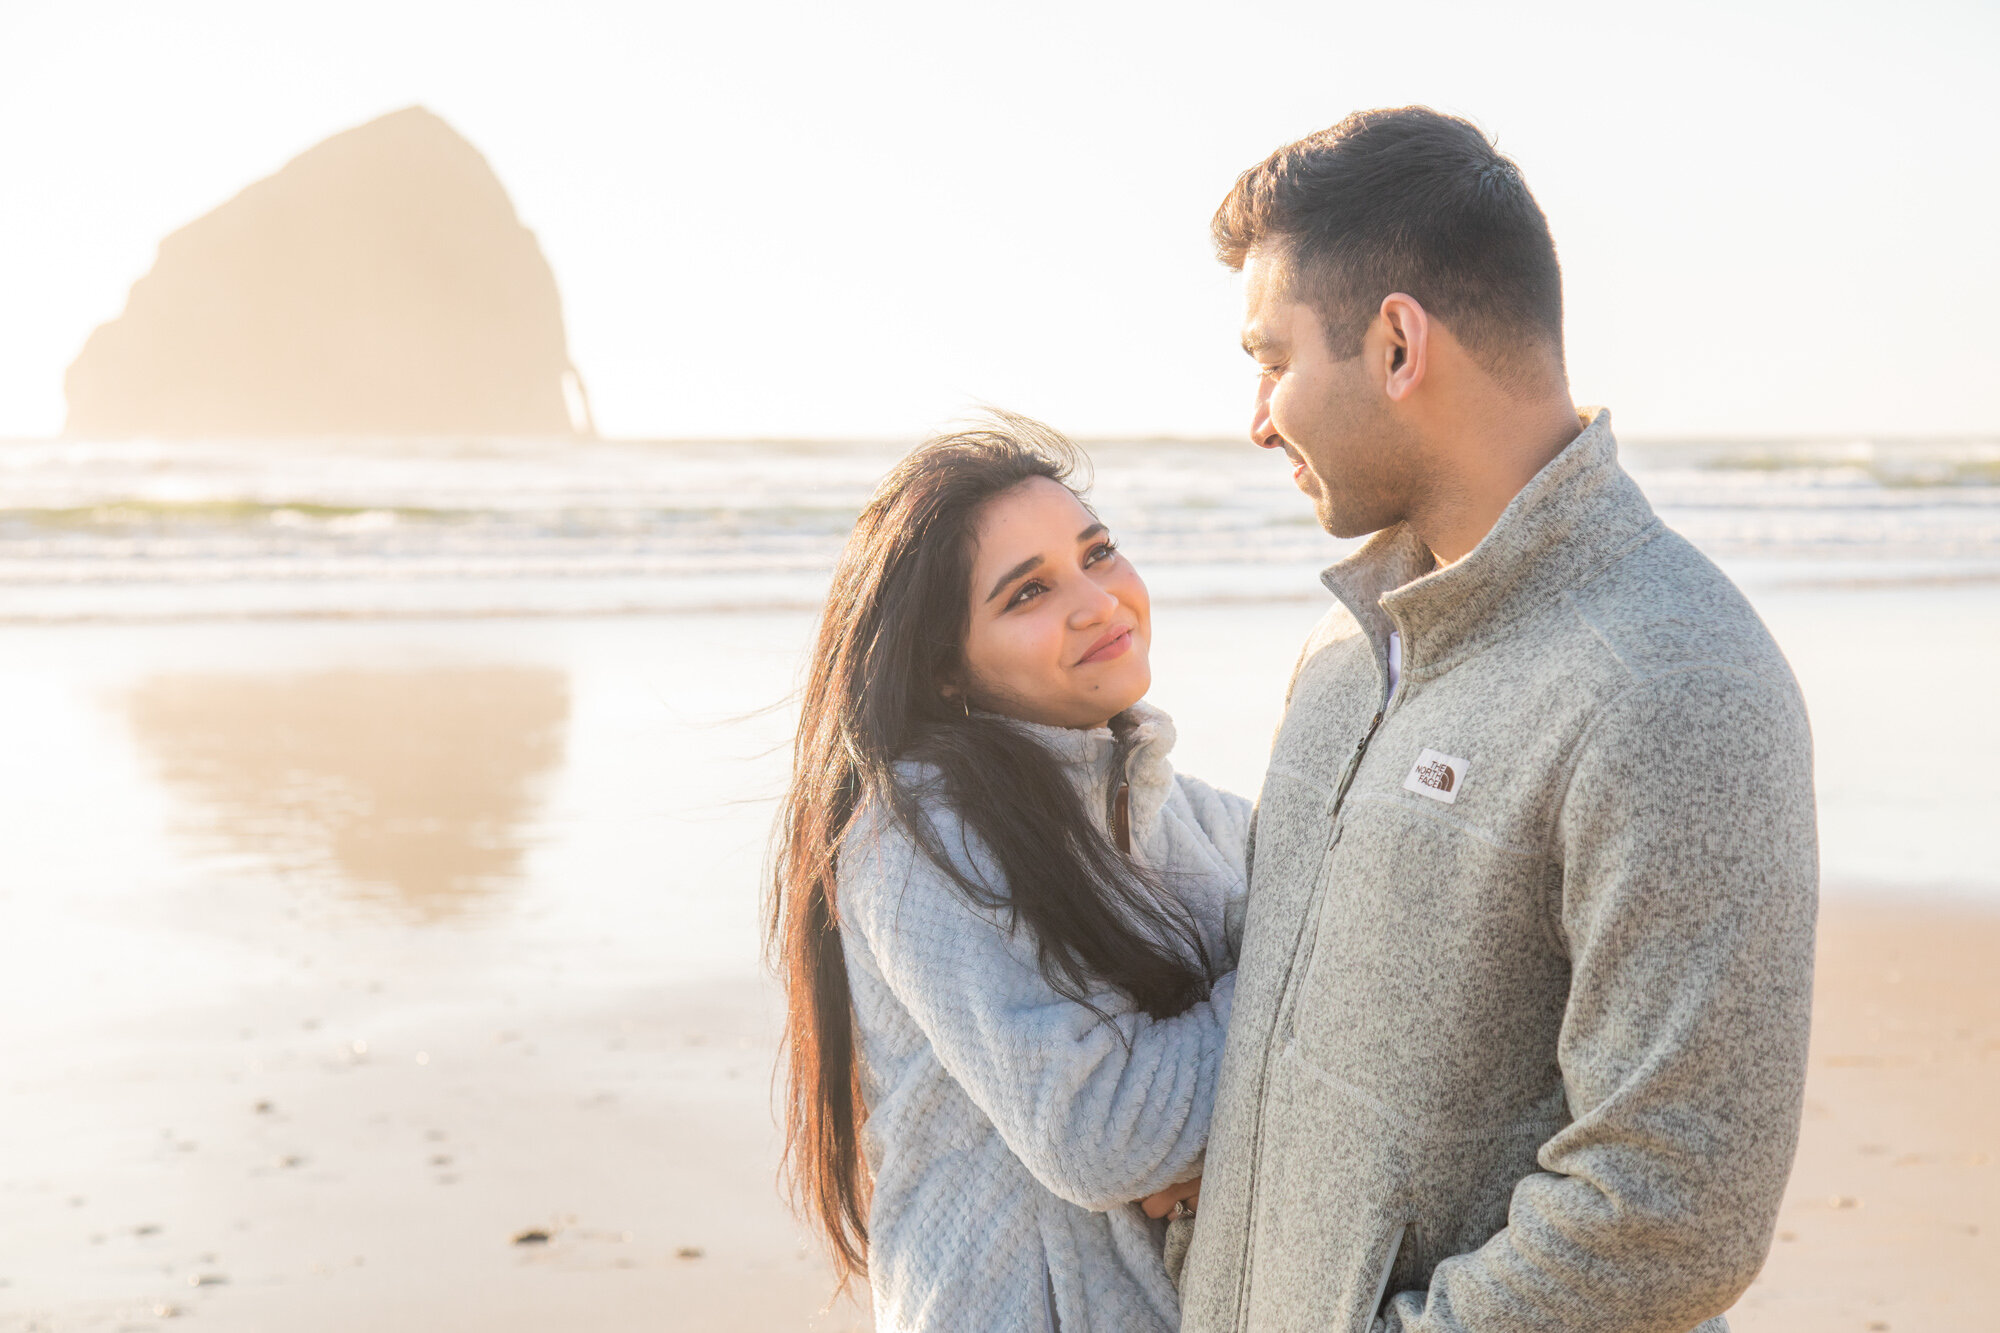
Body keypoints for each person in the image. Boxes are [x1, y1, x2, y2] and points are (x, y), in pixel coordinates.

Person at [1177, 108, 1819, 1332]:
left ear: (1396, 344)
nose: (1256, 417)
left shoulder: (1671, 682)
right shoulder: (1341, 652)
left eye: (1271, 359)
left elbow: (1672, 1205)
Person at [768, 415, 1246, 1331]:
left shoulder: (1178, 805)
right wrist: (1278, 1014)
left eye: (1098, 553)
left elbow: (1339, 916)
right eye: (1028, 592)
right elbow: (1103, 1132)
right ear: (946, 670)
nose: (1098, 602)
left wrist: (1203, 1142)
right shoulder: (914, 833)